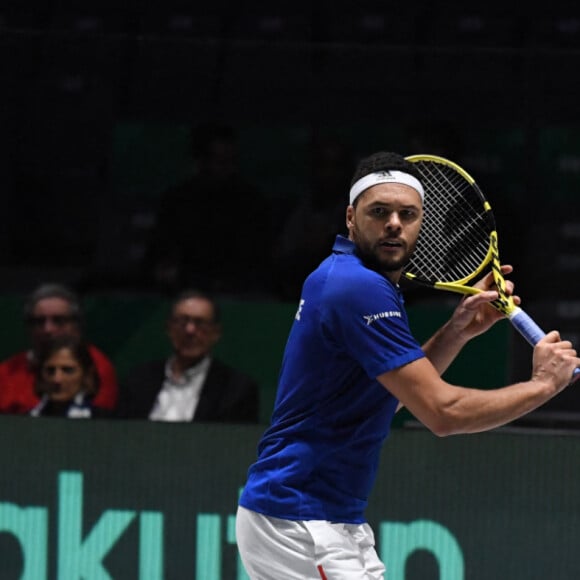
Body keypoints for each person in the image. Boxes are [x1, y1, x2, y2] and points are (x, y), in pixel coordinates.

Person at [235, 151, 580, 579]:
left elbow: (389, 399)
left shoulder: (356, 279)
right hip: (302, 520)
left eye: (407, 213)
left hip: (322, 516)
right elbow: (443, 413)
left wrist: (457, 331)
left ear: (422, 222)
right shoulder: (356, 287)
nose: (394, 223)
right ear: (350, 217)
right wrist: (545, 384)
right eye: (379, 212)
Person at [143, 122, 272, 296]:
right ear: (200, 161)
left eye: (232, 160)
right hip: (186, 289)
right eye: (220, 161)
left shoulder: (251, 201)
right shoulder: (177, 200)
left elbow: (257, 258)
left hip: (238, 292)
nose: (227, 168)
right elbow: (161, 254)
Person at [117, 289, 260, 423]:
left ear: (216, 333)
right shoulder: (139, 379)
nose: (190, 330)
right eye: (182, 321)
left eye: (200, 323)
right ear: (169, 328)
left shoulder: (236, 390)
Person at [0, 283, 118, 414]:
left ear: (77, 325)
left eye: (58, 320)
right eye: (39, 321)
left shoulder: (97, 365)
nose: (48, 329)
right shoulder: (7, 370)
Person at [272, 133, 356, 301]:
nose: (329, 174)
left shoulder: (360, 214)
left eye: (336, 166)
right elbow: (282, 259)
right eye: (324, 166)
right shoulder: (296, 210)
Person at [30, 335, 110, 418]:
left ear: (86, 375)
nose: (57, 379)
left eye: (68, 370)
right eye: (50, 370)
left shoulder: (104, 422)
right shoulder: (27, 420)